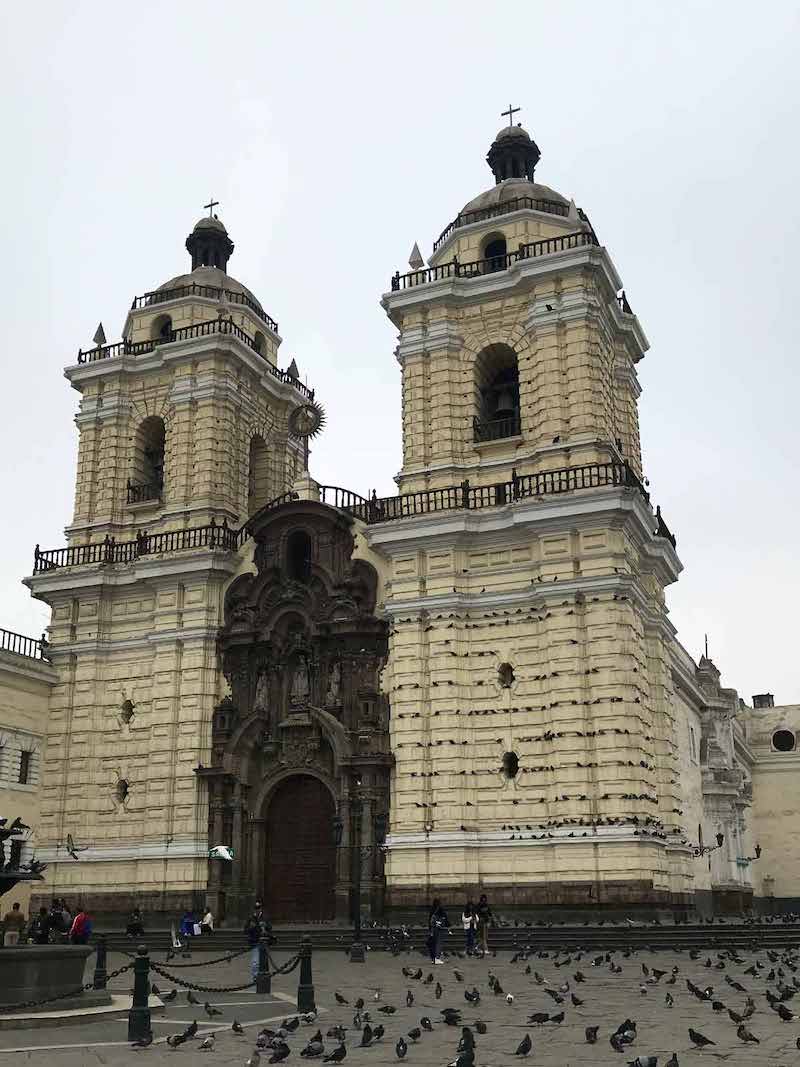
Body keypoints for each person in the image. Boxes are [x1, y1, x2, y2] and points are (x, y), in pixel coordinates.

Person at [244, 901, 272, 979]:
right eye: (256, 908)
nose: (257, 910)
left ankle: (264, 977)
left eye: (258, 908)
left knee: (263, 961)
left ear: (261, 908)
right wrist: (251, 927)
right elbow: (245, 930)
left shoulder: (265, 917)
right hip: (255, 942)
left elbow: (270, 928)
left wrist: (265, 927)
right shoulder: (250, 918)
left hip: (264, 942)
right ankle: (255, 977)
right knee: (255, 962)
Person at [427, 899, 450, 964]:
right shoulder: (441, 911)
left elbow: (430, 921)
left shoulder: (432, 911)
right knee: (438, 944)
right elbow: (445, 920)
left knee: (433, 944)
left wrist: (431, 929)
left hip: (433, 929)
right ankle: (437, 958)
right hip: (439, 930)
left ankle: (433, 959)